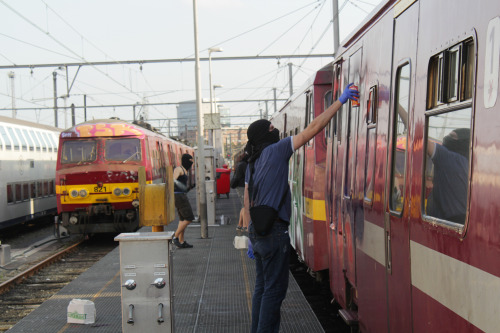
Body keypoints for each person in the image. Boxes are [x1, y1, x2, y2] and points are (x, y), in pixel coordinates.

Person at [245, 83, 359, 332]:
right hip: (274, 232)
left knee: (261, 289)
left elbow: (247, 200)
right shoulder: (276, 150)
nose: (276, 131)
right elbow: (312, 130)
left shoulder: (251, 162)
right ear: (266, 135)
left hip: (258, 232)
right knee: (274, 293)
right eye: (272, 128)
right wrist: (339, 102)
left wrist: (249, 236)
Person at [426, 128, 470, 224]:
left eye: (452, 136)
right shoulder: (469, 164)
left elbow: (421, 140)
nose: (447, 138)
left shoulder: (449, 158)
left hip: (445, 222)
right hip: (462, 221)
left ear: (462, 141)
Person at [173, 153, 195, 248]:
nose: (191, 163)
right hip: (179, 196)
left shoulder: (184, 170)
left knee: (182, 219)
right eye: (190, 161)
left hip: (182, 195)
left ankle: (181, 242)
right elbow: (173, 180)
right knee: (189, 218)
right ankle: (175, 237)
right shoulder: (178, 169)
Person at [231, 143, 250, 231]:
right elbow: (246, 176)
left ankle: (240, 225)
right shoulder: (244, 165)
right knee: (246, 206)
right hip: (242, 186)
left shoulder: (240, 164)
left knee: (244, 206)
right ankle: (245, 226)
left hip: (240, 186)